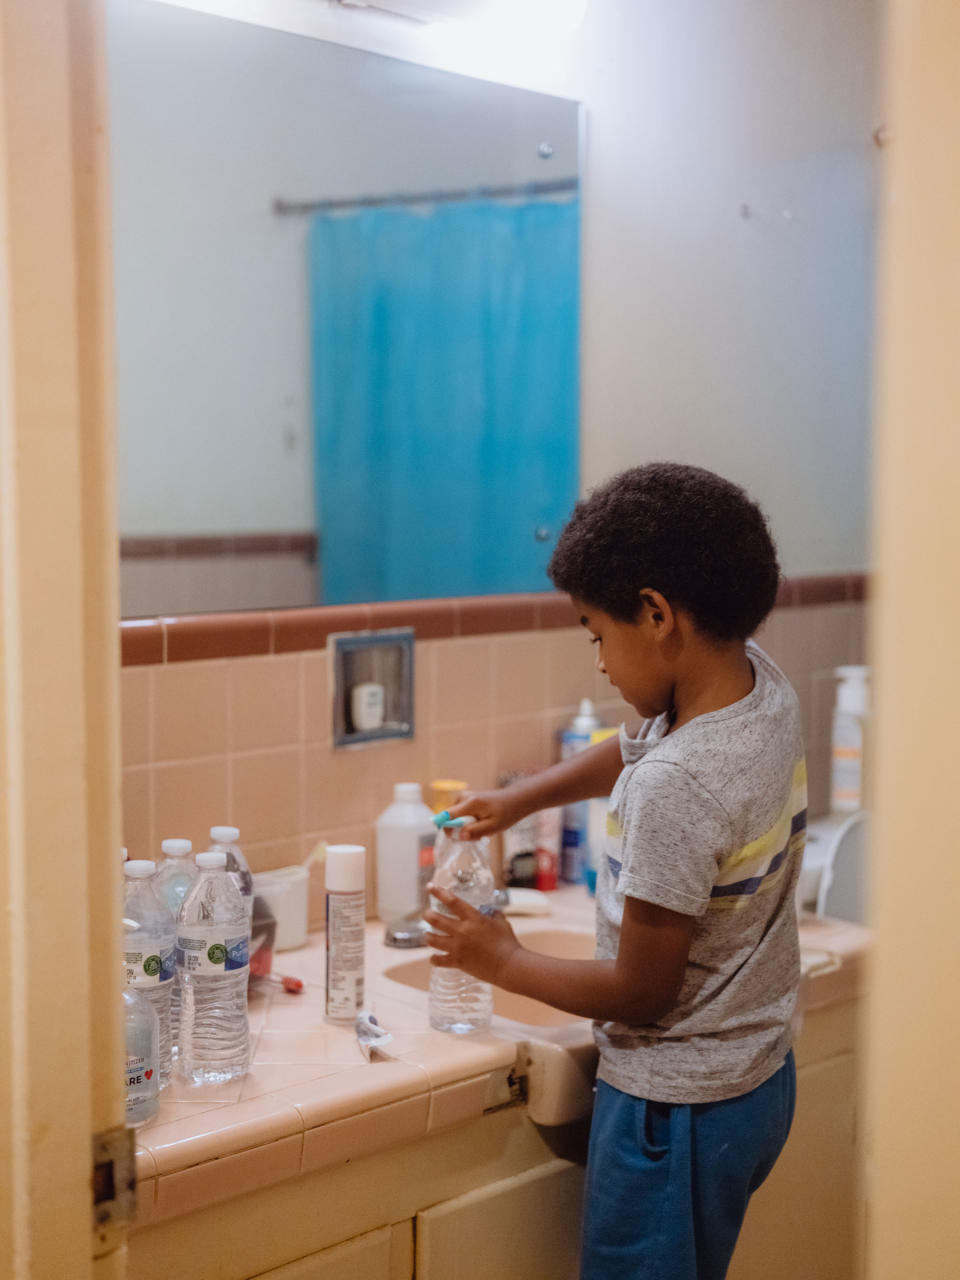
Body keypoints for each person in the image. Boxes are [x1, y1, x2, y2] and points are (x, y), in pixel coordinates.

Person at [424, 462, 806, 1280]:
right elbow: (639, 748)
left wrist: (502, 960)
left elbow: (642, 991)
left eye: (598, 633)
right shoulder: (756, 688)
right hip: (757, 1082)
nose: (597, 660)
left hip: (674, 1109)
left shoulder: (680, 786)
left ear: (657, 615)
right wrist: (521, 799)